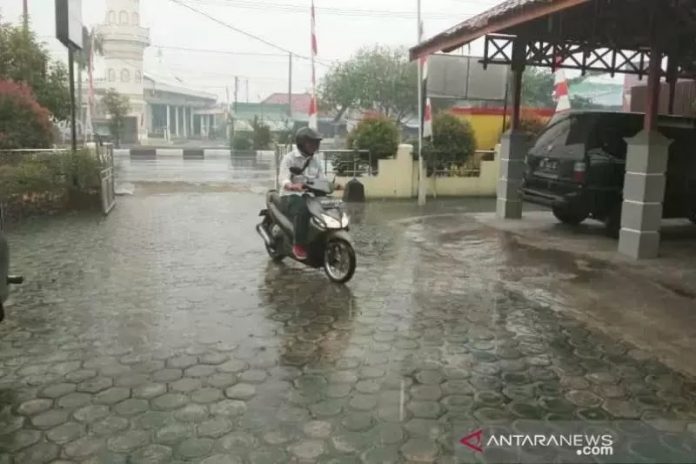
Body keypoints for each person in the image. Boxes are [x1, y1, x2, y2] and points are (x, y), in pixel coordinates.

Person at [278, 127, 327, 261]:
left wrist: (332, 185)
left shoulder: (316, 160)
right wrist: (292, 185)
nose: (314, 146)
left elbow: (321, 178)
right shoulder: (289, 158)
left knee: (330, 206)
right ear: (301, 143)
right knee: (304, 210)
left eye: (316, 143)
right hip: (289, 196)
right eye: (310, 143)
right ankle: (298, 244)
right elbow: (283, 178)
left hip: (309, 195)